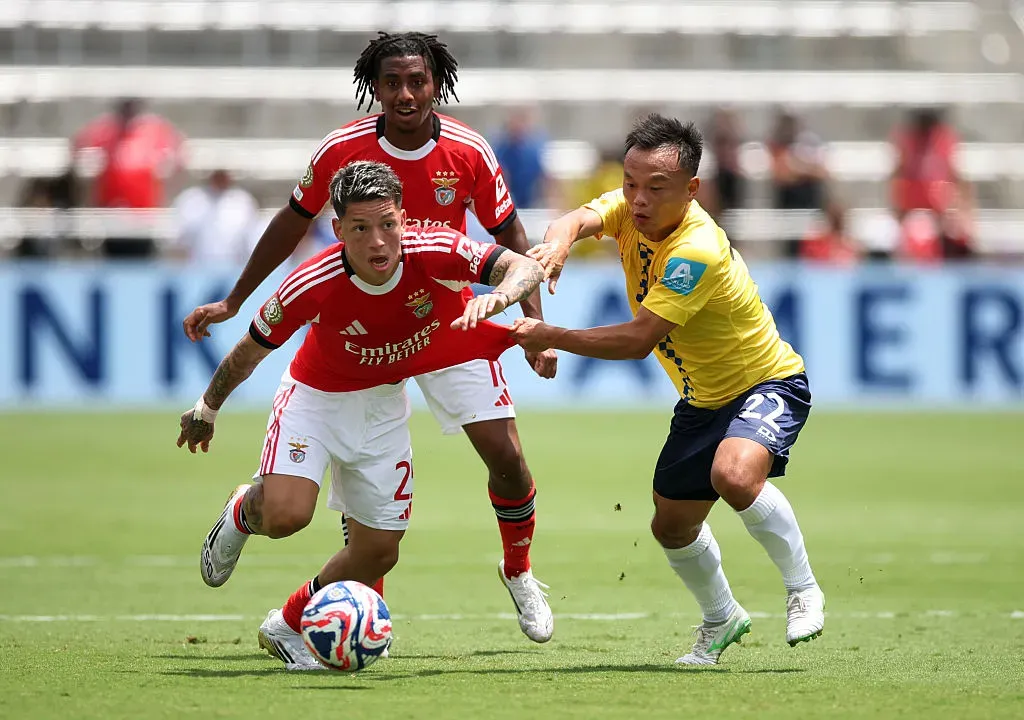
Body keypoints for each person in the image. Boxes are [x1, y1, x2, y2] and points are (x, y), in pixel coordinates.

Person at [181, 32, 556, 644]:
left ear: (437, 83)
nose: (405, 94)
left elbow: (511, 237)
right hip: (359, 343)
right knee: (345, 502)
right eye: (391, 83)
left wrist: (532, 328)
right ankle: (331, 590)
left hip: (444, 321)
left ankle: (518, 570)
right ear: (373, 88)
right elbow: (290, 221)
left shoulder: (468, 151)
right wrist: (234, 299)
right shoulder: (341, 153)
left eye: (418, 81)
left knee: (508, 459)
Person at [511, 114, 825, 666]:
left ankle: (802, 589)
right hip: (702, 400)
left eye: (655, 188)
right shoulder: (631, 205)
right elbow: (574, 219)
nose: (637, 198)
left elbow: (637, 340)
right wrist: (557, 245)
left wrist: (549, 333)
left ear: (691, 189)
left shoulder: (696, 247)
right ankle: (722, 617)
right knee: (671, 525)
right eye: (630, 182)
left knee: (734, 475)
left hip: (765, 382)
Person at [171, 170, 262, 263]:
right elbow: (180, 238)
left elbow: (253, 236)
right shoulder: (191, 199)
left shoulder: (243, 200)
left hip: (235, 267)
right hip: (198, 267)